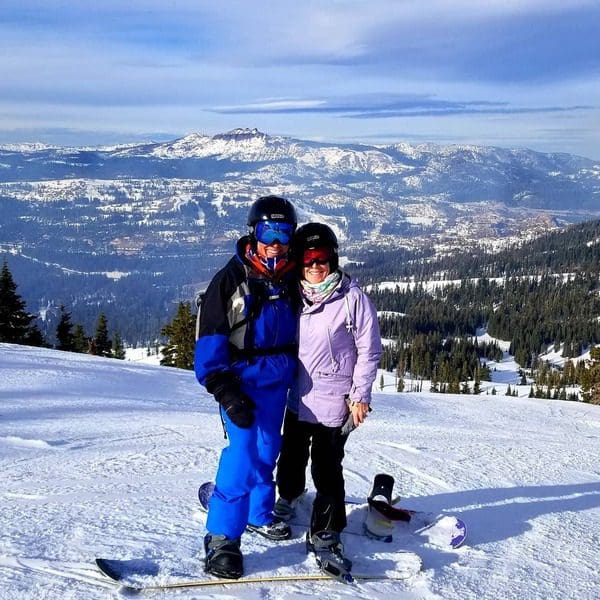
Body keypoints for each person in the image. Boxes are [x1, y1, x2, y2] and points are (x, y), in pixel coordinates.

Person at [194, 195, 299, 580]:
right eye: (268, 231)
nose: (275, 241)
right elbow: (208, 346)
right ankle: (221, 537)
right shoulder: (231, 280)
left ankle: (258, 513)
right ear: (253, 232)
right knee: (241, 453)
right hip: (239, 380)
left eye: (283, 232)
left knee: (269, 447)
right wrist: (224, 389)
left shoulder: (291, 276)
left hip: (277, 379)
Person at [274, 223, 382, 577]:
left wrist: (360, 396)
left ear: (333, 259)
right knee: (289, 455)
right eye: (308, 259)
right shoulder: (291, 293)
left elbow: (369, 351)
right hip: (297, 396)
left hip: (336, 401)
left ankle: (327, 530)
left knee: (326, 466)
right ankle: (288, 497)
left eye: (322, 258)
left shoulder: (352, 298)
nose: (316, 266)